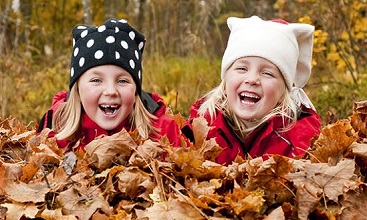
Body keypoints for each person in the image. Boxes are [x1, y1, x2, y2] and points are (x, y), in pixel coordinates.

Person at [181, 16, 321, 165]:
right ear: (226, 81)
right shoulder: (200, 128)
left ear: (283, 93)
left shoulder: (299, 140)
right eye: (242, 68)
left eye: (267, 73)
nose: (252, 79)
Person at [37, 18, 180, 151]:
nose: (111, 91)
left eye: (122, 81)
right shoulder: (55, 129)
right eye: (96, 80)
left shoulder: (163, 132)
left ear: (136, 90)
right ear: (78, 89)